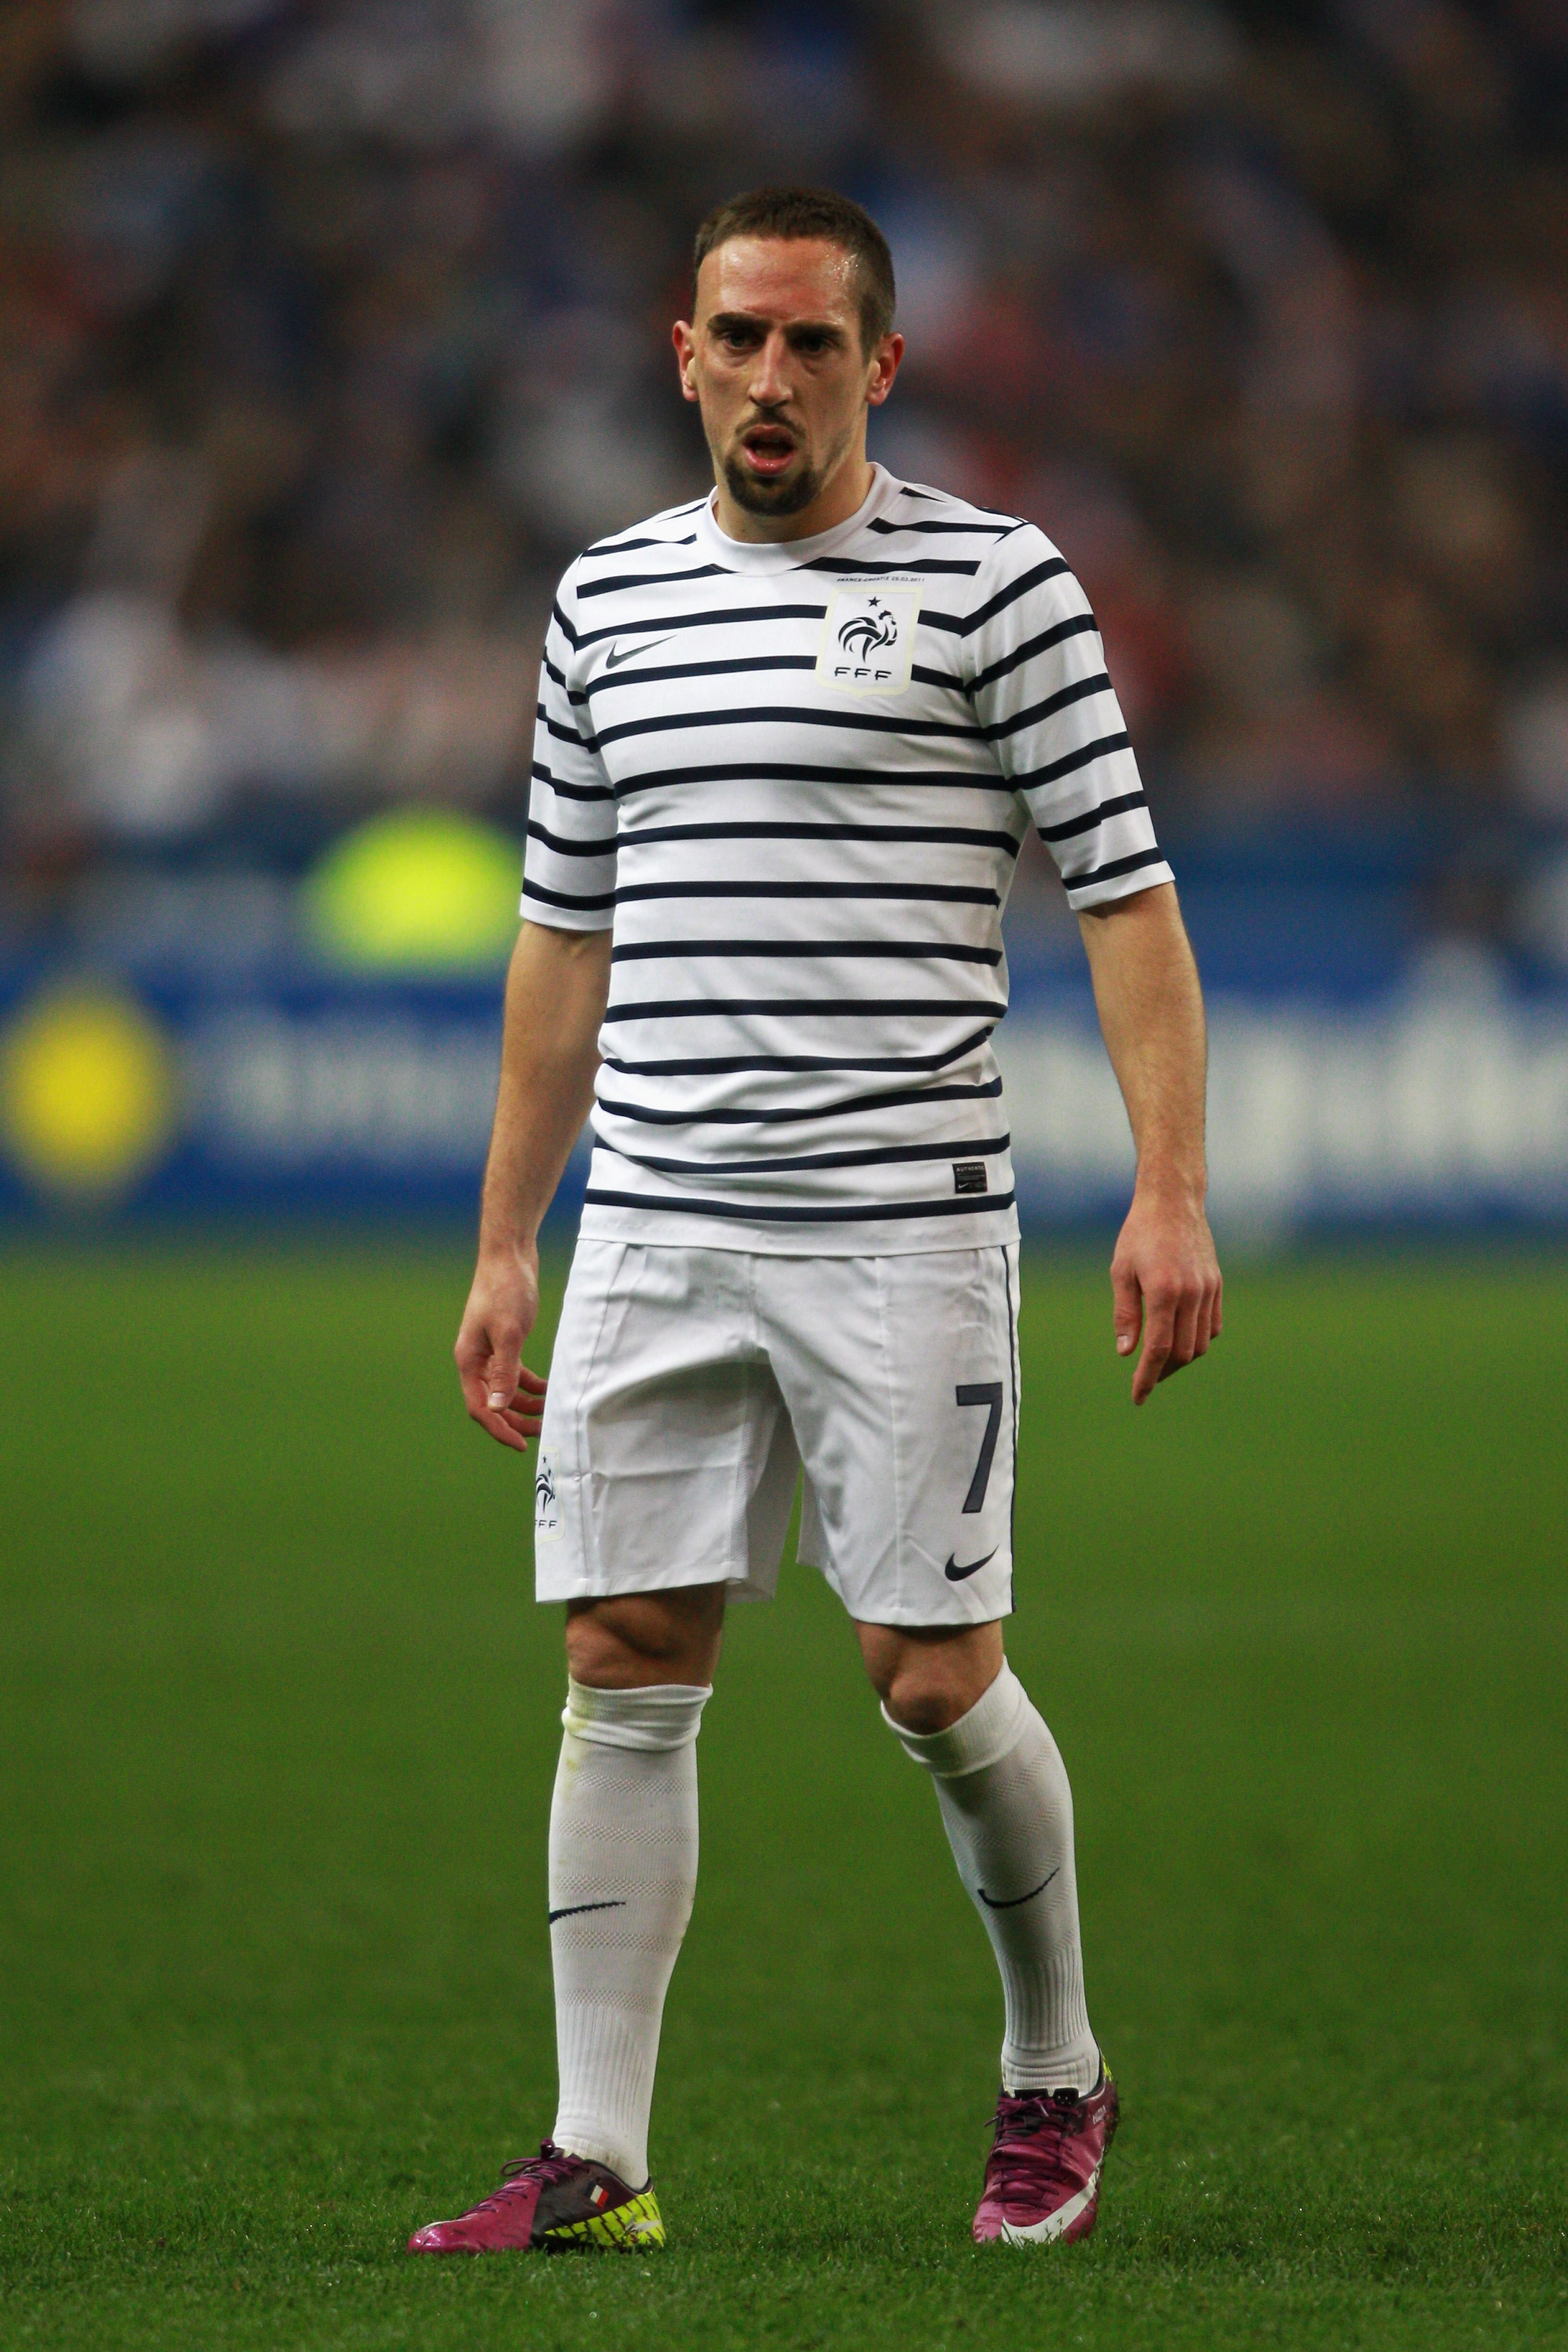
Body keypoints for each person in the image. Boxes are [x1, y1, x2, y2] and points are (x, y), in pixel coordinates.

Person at [407, 185, 1221, 2257]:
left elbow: (1125, 897)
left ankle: (1057, 2070)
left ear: (883, 363)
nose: (773, 378)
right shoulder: (606, 599)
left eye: (815, 344)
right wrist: (509, 1238)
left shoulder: (998, 585)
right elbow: (561, 939)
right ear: (682, 351)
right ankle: (598, 2155)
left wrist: (1172, 1188)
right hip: (657, 1218)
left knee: (932, 1679)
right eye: (740, 338)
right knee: (624, 1654)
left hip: (900, 1223)